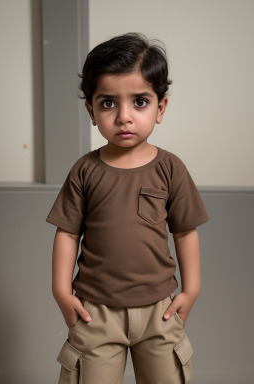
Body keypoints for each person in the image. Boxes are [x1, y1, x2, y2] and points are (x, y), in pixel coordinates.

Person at [46, 32, 209, 384]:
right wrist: (61, 290)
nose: (124, 116)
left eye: (139, 101)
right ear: (91, 110)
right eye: (108, 103)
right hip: (94, 313)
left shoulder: (171, 169)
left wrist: (191, 288)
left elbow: (184, 232)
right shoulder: (84, 171)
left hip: (160, 312)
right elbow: (67, 233)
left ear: (160, 108)